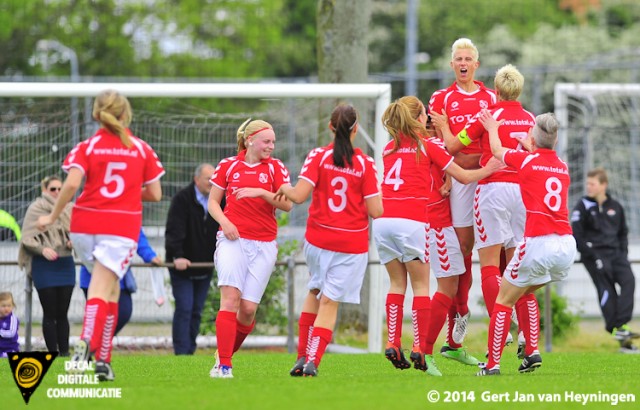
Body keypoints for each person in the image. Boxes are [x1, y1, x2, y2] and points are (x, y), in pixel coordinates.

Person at [37, 89, 165, 381]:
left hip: (83, 226)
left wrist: (53, 216)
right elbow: (155, 194)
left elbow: (71, 186)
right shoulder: (141, 148)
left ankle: (104, 362)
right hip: (119, 228)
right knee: (100, 289)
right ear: (125, 114)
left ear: (96, 115)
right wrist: (128, 192)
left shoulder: (87, 146)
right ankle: (85, 345)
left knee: (112, 290)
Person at [375, 96, 500, 375]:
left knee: (399, 284)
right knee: (435, 287)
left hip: (384, 221)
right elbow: (462, 169)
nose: (431, 120)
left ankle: (395, 341)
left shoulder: (388, 148)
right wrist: (491, 167)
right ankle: (423, 349)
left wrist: (444, 179)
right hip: (426, 223)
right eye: (427, 116)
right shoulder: (429, 146)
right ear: (420, 119)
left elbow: (430, 169)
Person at [276, 103, 382, 377]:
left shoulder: (318, 157)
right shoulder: (364, 163)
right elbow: (376, 211)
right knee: (329, 302)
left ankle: (301, 357)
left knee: (314, 291)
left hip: (317, 240)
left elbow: (298, 196)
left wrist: (281, 186)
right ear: (356, 129)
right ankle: (313, 361)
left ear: (331, 127)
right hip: (349, 244)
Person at [433, 64, 535, 347]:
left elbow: (453, 145)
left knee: (488, 265)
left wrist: (443, 128)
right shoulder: (531, 119)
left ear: (497, 90)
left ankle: (499, 328)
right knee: (518, 265)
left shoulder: (488, 115)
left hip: (493, 190)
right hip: (523, 193)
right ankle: (527, 336)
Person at [475, 110, 576, 376]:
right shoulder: (563, 167)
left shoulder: (527, 162)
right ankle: (532, 353)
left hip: (538, 243)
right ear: (555, 141)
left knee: (503, 301)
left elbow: (497, 151)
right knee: (525, 291)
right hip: (566, 247)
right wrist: (533, 143)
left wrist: (492, 127)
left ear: (533, 136)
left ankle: (492, 366)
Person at [208, 118, 292, 378]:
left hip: (264, 244)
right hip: (233, 241)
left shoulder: (276, 168)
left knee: (247, 311)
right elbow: (213, 202)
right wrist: (225, 221)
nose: (271, 146)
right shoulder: (229, 165)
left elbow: (288, 205)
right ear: (250, 140)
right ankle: (224, 366)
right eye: (267, 141)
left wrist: (261, 193)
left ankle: (223, 355)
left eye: (273, 142)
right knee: (230, 299)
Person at [428, 38, 497, 351]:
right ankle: (462, 311)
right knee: (463, 250)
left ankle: (506, 318)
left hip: (488, 180)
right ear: (452, 64)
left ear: (476, 64)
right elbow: (434, 143)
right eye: (458, 59)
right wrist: (444, 174)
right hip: (459, 182)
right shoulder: (441, 99)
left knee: (500, 249)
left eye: (468, 58)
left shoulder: (491, 98)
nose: (463, 63)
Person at [571, 168, 640, 353]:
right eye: (587, 183)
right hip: (594, 256)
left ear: (603, 185)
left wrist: (623, 253)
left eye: (592, 184)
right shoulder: (582, 205)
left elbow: (623, 233)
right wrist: (592, 255)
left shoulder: (615, 206)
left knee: (629, 281)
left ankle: (620, 327)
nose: (588, 187)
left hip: (616, 254)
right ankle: (618, 329)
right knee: (606, 288)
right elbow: (576, 235)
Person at [165, 163, 221, 355]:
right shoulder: (182, 199)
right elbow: (174, 230)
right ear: (196, 179)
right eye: (208, 179)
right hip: (183, 268)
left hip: (204, 267)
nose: (212, 183)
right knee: (185, 308)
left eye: (214, 179)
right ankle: (181, 352)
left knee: (197, 310)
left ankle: (190, 349)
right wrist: (178, 256)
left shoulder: (218, 200)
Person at [18, 175, 75, 356]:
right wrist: (42, 249)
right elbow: (26, 237)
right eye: (53, 189)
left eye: (60, 189)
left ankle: (65, 353)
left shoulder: (69, 208)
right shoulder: (36, 209)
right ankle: (53, 353)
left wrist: (73, 241)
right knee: (50, 312)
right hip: (44, 265)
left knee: (63, 313)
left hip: (65, 262)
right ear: (44, 190)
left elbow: (78, 231)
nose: (57, 192)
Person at [80, 229, 162, 335]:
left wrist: (149, 255)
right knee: (99, 316)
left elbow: (136, 232)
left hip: (119, 274)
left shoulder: (126, 215)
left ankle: (96, 344)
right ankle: (92, 344)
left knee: (123, 313)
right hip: (93, 274)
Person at [0, 291, 19, 358]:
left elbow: (11, 333)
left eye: (9, 306)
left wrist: (1, 332)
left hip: (10, 348)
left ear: (13, 306)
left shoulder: (13, 319)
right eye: (3, 306)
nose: (6, 308)